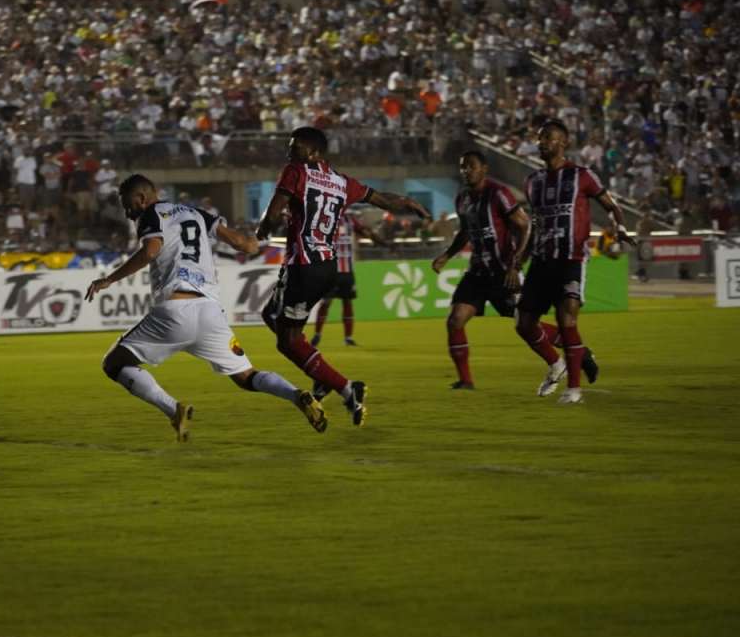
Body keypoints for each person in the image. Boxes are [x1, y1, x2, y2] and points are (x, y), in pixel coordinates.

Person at [86, 174, 327, 442]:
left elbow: (151, 250)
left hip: (175, 311)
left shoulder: (151, 214)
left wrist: (109, 279)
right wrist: (262, 233)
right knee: (247, 377)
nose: (128, 213)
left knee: (113, 362)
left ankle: (172, 409)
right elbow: (244, 244)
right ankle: (297, 395)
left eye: (128, 204)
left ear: (142, 198)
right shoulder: (197, 213)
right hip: (210, 313)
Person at [256, 127, 430, 426]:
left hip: (303, 266)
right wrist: (406, 201)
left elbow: (273, 215)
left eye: (295, 148)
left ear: (313, 153)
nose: (290, 153)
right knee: (274, 317)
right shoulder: (341, 181)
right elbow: (381, 199)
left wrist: (263, 230)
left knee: (286, 339)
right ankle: (322, 377)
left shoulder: (296, 172)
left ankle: (347, 389)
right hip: (327, 267)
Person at [432, 151, 597, 390]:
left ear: (484, 168)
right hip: (477, 273)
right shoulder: (462, 199)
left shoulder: (498, 194)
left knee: (526, 322)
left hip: (503, 273)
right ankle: (466, 381)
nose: (466, 170)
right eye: (462, 167)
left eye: (471, 166)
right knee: (455, 319)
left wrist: (515, 264)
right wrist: (446, 256)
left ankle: (576, 353)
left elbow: (524, 225)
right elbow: (465, 232)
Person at [515, 120, 636, 404]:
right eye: (540, 137)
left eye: (548, 137)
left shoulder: (583, 176)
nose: (542, 142)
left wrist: (619, 227)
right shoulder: (533, 181)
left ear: (563, 143)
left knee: (565, 317)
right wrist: (518, 259)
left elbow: (612, 206)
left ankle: (573, 389)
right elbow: (534, 225)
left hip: (571, 258)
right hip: (542, 261)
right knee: (523, 322)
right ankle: (567, 360)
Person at [310, 208, 390, 347]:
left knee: (347, 302)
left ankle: (348, 338)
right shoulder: (325, 218)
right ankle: (317, 334)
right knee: (326, 302)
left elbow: (365, 232)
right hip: (331, 269)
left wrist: (380, 242)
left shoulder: (349, 219)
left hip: (347, 270)